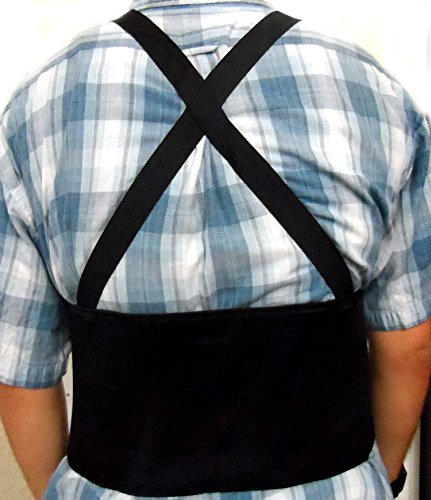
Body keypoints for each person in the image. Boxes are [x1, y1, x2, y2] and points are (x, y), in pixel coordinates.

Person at [0, 0, 430, 499]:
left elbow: (20, 373)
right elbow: (409, 344)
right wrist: (380, 479)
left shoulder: (41, 104)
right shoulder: (370, 90)